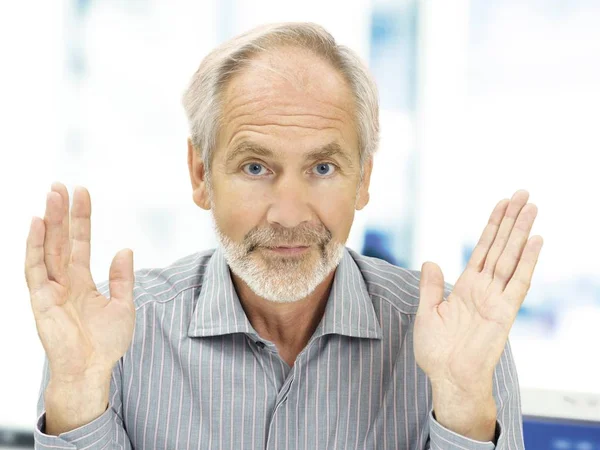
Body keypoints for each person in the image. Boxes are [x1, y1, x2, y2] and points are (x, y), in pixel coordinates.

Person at [25, 22, 542, 450]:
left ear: (362, 179)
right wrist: (77, 394)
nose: (289, 214)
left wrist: (462, 401)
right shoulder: (114, 337)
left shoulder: (458, 337)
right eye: (254, 167)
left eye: (322, 167)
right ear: (201, 175)